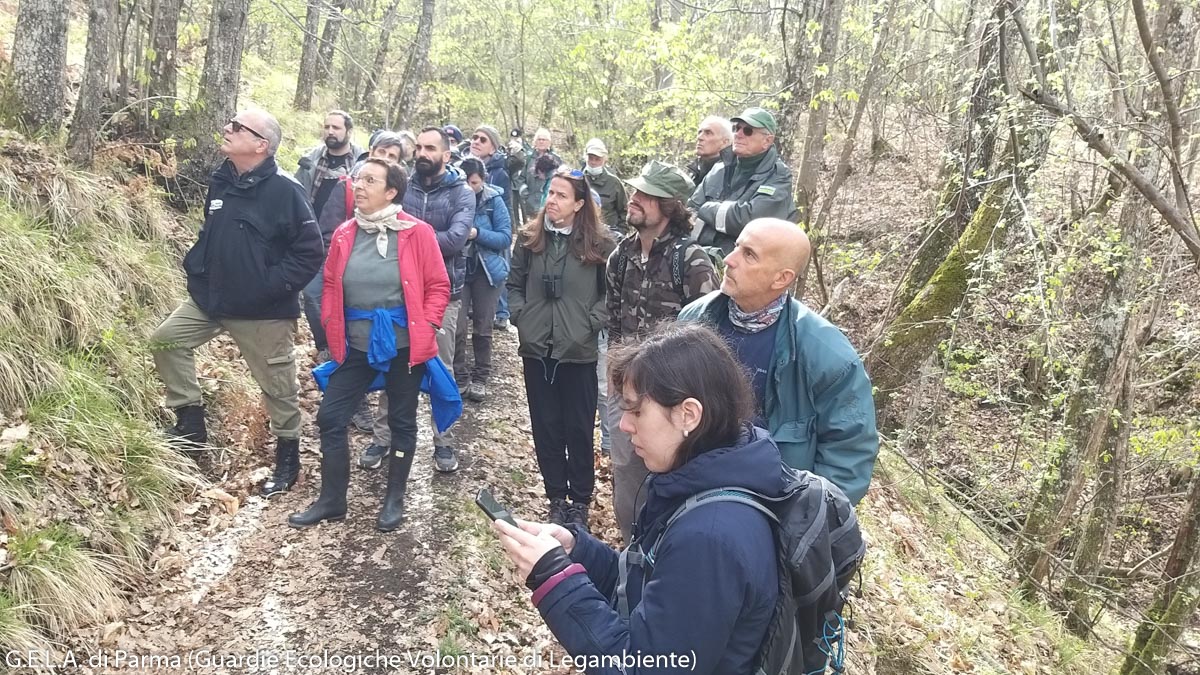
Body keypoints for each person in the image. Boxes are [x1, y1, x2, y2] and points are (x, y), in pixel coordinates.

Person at [491, 322, 782, 674]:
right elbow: (650, 591)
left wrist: (554, 577)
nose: (625, 425)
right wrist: (576, 551)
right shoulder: (701, 477)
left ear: (688, 414)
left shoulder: (710, 537)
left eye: (637, 411)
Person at [152, 108, 323, 497]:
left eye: (237, 127)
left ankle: (287, 460)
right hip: (211, 298)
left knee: (277, 386)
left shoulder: (286, 190)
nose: (226, 129)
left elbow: (310, 252)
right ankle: (191, 426)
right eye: (228, 122)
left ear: (261, 145)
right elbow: (211, 230)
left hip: (262, 310)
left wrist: (270, 286)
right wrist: (199, 263)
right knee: (166, 339)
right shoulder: (222, 178)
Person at [288, 159, 450, 532]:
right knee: (330, 416)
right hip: (356, 347)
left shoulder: (417, 232)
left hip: (405, 346)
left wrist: (426, 326)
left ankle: (394, 499)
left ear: (391, 191)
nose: (358, 185)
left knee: (401, 420)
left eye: (369, 180)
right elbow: (330, 283)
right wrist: (331, 325)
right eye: (358, 179)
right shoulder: (346, 233)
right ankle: (332, 500)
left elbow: (438, 286)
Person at [678, 218, 878, 504]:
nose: (729, 260)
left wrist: (802, 520)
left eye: (749, 255)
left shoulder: (827, 356)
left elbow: (849, 455)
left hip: (770, 507)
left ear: (781, 278)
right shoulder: (694, 320)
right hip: (689, 487)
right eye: (736, 247)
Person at [605, 160, 718, 543]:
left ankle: (670, 550)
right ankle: (631, 554)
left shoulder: (691, 261)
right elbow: (615, 326)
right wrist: (615, 387)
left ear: (668, 206)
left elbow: (708, 335)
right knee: (626, 471)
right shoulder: (620, 257)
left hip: (673, 398)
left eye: (645, 196)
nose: (633, 200)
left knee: (674, 475)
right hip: (627, 391)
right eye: (634, 192)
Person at [360, 127, 474, 473]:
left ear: (446, 155)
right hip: (397, 294)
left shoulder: (462, 193)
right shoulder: (402, 186)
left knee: (441, 367)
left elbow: (455, 240)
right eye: (419, 147)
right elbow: (381, 225)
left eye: (430, 148)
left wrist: (412, 238)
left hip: (443, 293)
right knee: (390, 363)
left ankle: (443, 441)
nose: (422, 153)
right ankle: (382, 438)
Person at [507, 166, 614, 529]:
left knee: (579, 427)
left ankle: (580, 501)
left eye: (561, 195)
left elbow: (609, 292)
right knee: (546, 425)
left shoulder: (599, 243)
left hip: (578, 350)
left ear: (579, 204)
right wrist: (521, 316)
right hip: (537, 349)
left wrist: (590, 323)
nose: (551, 201)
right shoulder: (528, 239)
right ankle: (556, 496)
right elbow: (514, 284)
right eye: (550, 193)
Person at [294, 110, 364, 361]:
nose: (330, 132)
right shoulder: (311, 159)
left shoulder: (361, 162)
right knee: (313, 294)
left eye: (336, 127)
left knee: (347, 296)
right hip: (314, 238)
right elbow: (297, 193)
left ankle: (350, 347)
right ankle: (325, 345)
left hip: (349, 242)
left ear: (348, 131)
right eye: (327, 127)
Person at [687, 107, 799, 256]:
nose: (739, 134)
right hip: (700, 258)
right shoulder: (719, 169)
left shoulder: (778, 176)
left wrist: (707, 209)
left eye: (748, 131)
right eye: (736, 128)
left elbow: (752, 221)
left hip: (743, 266)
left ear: (767, 140)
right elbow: (690, 210)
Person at [453, 157, 512, 402]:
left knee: (483, 326)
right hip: (459, 269)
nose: (470, 186)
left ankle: (481, 376)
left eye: (474, 182)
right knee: (457, 325)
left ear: (483, 180)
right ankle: (459, 374)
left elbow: (505, 237)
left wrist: (477, 234)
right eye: (466, 181)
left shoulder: (493, 201)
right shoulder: (453, 197)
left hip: (487, 272)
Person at [499, 130, 562, 332]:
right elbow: (518, 177)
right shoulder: (527, 158)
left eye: (545, 139)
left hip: (551, 207)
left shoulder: (556, 160)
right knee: (530, 239)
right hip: (530, 205)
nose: (541, 142)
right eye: (539, 139)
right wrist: (524, 191)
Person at [581, 138, 627, 238]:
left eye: (597, 159)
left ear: (604, 160)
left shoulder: (614, 183)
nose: (593, 162)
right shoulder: (578, 180)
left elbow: (624, 212)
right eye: (591, 158)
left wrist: (620, 234)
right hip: (581, 234)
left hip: (608, 236)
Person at [468, 125, 513, 212]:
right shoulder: (458, 167)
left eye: (483, 140)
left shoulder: (500, 174)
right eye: (475, 137)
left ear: (492, 149)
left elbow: (505, 210)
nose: (477, 142)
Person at [688, 115, 733, 185]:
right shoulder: (693, 171)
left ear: (725, 142)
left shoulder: (730, 174)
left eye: (708, 133)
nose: (699, 137)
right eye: (700, 132)